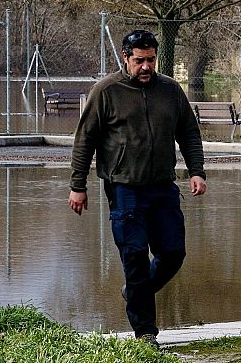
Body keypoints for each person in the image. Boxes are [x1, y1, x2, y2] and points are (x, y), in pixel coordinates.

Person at [70, 29, 208, 345]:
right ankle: (145, 332)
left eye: (151, 60)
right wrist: (78, 185)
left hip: (162, 187)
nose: (146, 67)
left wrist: (196, 171)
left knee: (173, 252)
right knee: (134, 256)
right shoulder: (105, 91)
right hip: (124, 189)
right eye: (139, 61)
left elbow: (188, 132)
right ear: (126, 58)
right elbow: (85, 140)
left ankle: (135, 289)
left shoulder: (170, 91)